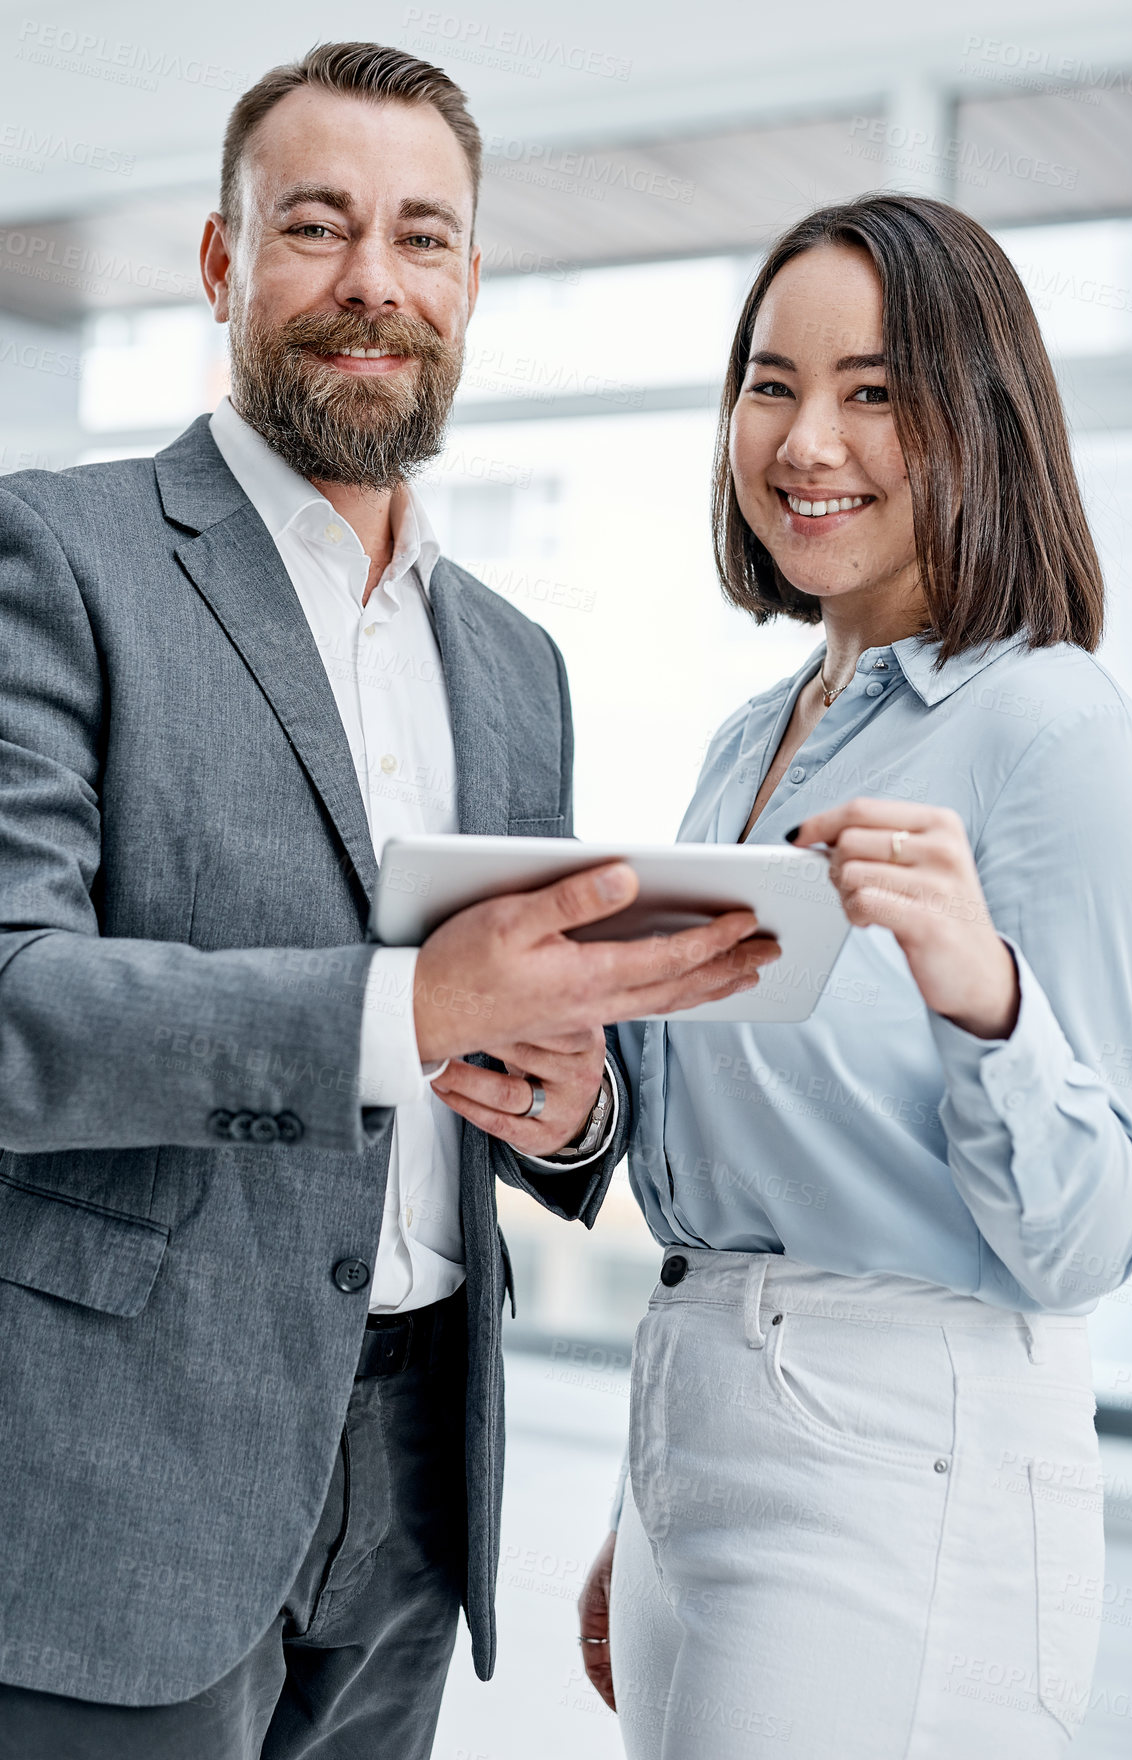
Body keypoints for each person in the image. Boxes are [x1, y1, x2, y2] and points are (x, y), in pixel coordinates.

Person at [0, 42, 774, 1760]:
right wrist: (411, 1007)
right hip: (125, 1484)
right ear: (223, 264)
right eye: (318, 227)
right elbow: (15, 1002)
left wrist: (571, 1113)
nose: (374, 282)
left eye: (424, 238)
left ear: (472, 283)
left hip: (419, 1484)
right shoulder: (59, 557)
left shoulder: (514, 662)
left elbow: (532, 1034)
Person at [570, 194, 1132, 1758]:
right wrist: (659, 1492)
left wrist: (986, 993)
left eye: (874, 392)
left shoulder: (1051, 725)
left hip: (906, 1459)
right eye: (771, 383)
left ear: (982, 418)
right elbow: (725, 1146)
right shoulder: (746, 745)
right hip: (707, 1425)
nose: (808, 439)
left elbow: (1090, 1240)